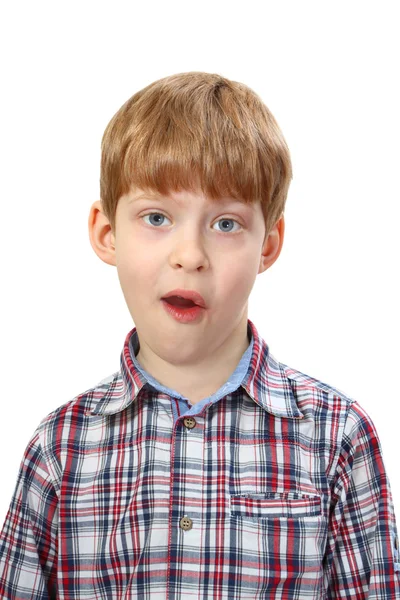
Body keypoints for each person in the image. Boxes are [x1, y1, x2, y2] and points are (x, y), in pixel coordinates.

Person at [0, 71, 399, 600]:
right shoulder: (59, 449)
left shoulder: (337, 439)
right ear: (105, 233)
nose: (189, 255)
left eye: (226, 224)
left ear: (269, 244)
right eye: (157, 216)